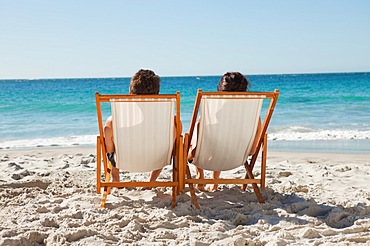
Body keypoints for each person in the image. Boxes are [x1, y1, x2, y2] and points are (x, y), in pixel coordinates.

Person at [187, 72, 261, 192]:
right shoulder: (252, 115)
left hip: (210, 156)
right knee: (222, 138)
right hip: (238, 157)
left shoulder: (215, 112)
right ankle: (214, 180)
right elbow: (254, 143)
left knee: (200, 125)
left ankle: (199, 174)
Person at [104, 69, 176, 183]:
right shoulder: (171, 121)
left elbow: (109, 149)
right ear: (157, 94)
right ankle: (151, 181)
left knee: (109, 139)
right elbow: (173, 145)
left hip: (124, 160)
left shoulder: (114, 121)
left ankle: (116, 177)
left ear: (131, 93)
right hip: (158, 160)